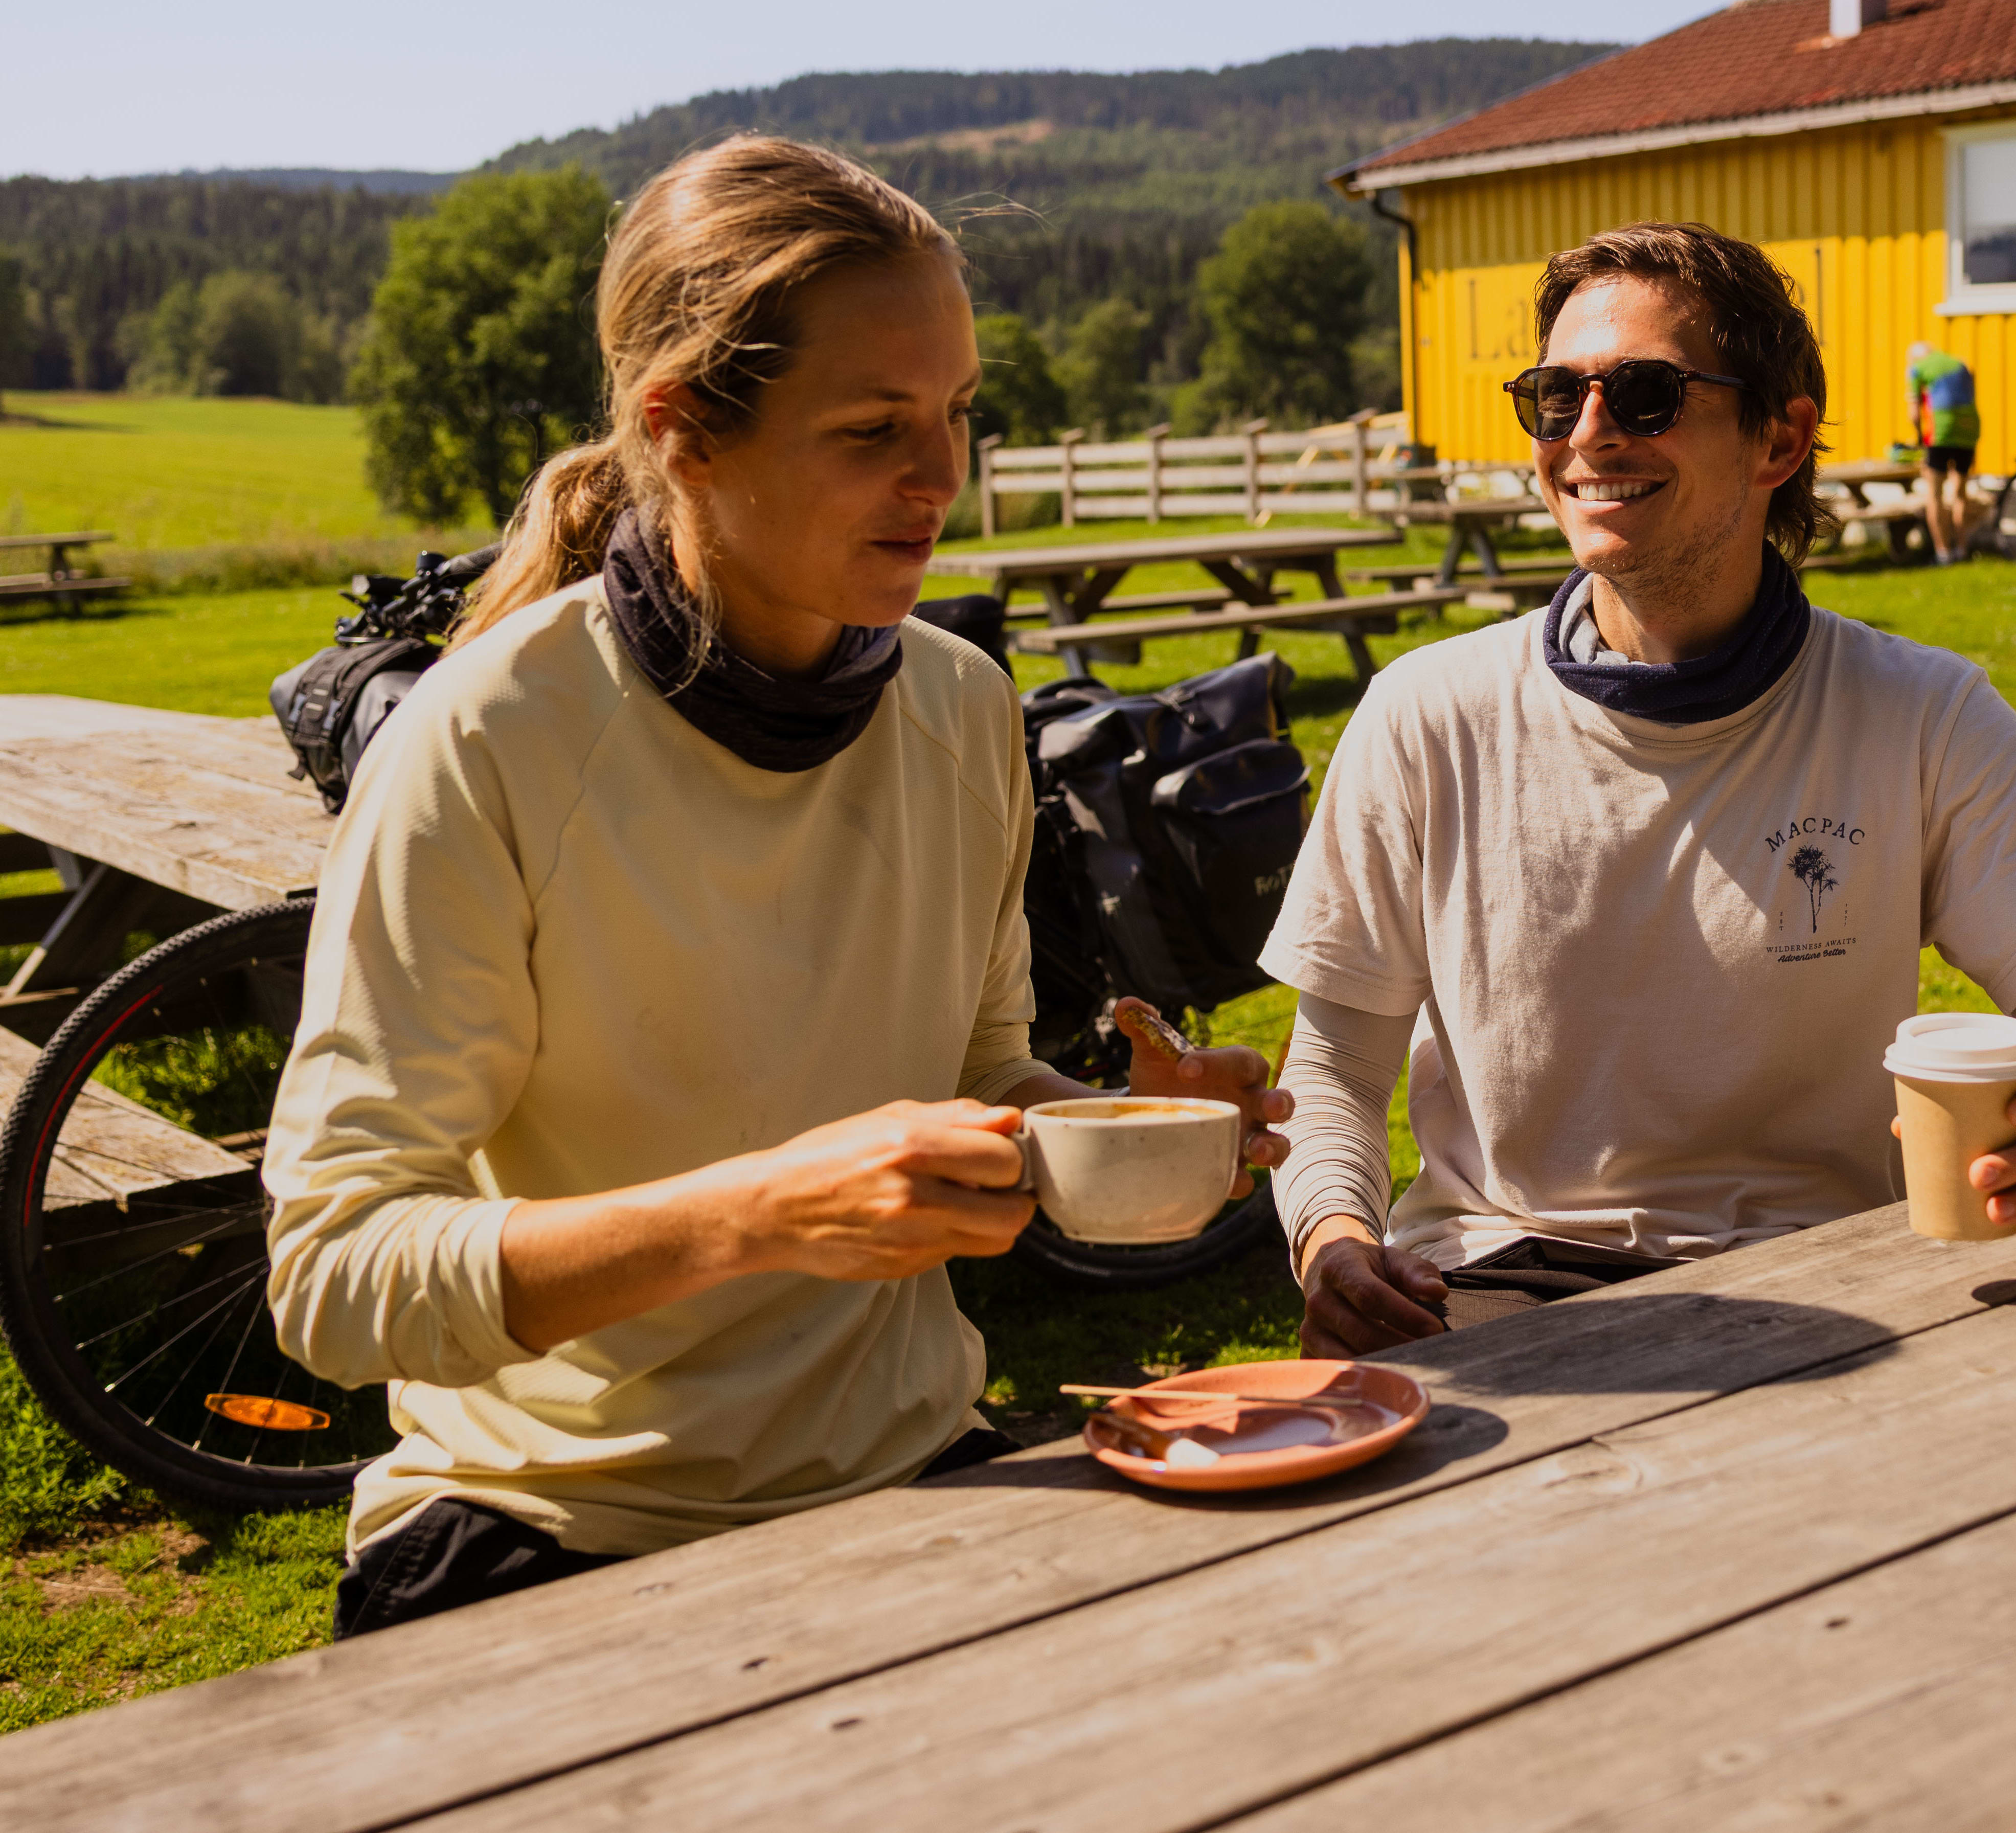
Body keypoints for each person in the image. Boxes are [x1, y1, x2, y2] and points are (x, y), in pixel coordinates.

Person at [264, 136, 1289, 1635]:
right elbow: (334, 1276)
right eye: (875, 427)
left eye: (956, 415)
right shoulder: (489, 739)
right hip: (552, 1530)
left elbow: (971, 1078)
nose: (942, 479)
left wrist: (1121, 1128)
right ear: (683, 431)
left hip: (915, 1474)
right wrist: (757, 1212)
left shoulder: (957, 710)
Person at [1264, 221, 2016, 1356]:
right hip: (1496, 1281)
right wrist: (1332, 1237)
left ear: (1780, 439)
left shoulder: (1920, 713)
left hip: (1839, 1288)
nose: (1587, 435)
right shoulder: (1429, 714)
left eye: (1645, 394)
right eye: (1553, 397)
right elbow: (1329, 1071)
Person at [1905, 340, 1982, 563]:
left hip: (1942, 431)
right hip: (1970, 429)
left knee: (1935, 494)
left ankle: (1943, 552)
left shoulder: (1917, 368)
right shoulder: (1959, 364)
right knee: (1960, 493)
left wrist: (1919, 437)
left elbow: (1915, 413)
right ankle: (1962, 548)